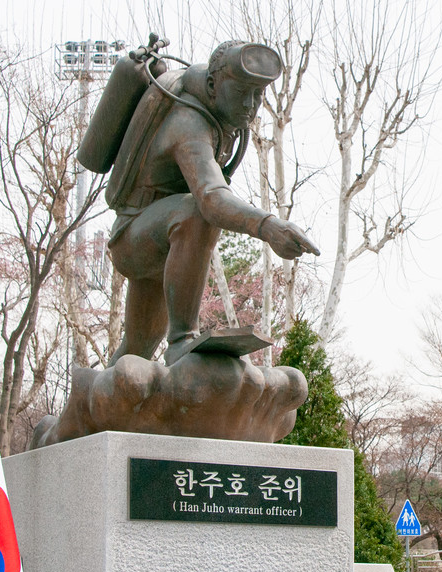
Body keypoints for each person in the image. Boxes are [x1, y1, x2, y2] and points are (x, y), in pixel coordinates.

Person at [104, 40, 320, 365]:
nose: (250, 105)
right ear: (211, 85)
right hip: (135, 236)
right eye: (241, 92)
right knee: (197, 213)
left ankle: (89, 410)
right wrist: (268, 225)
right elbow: (210, 198)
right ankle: (181, 339)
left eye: (257, 95)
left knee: (137, 348)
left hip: (161, 237)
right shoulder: (188, 121)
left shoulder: (224, 120)